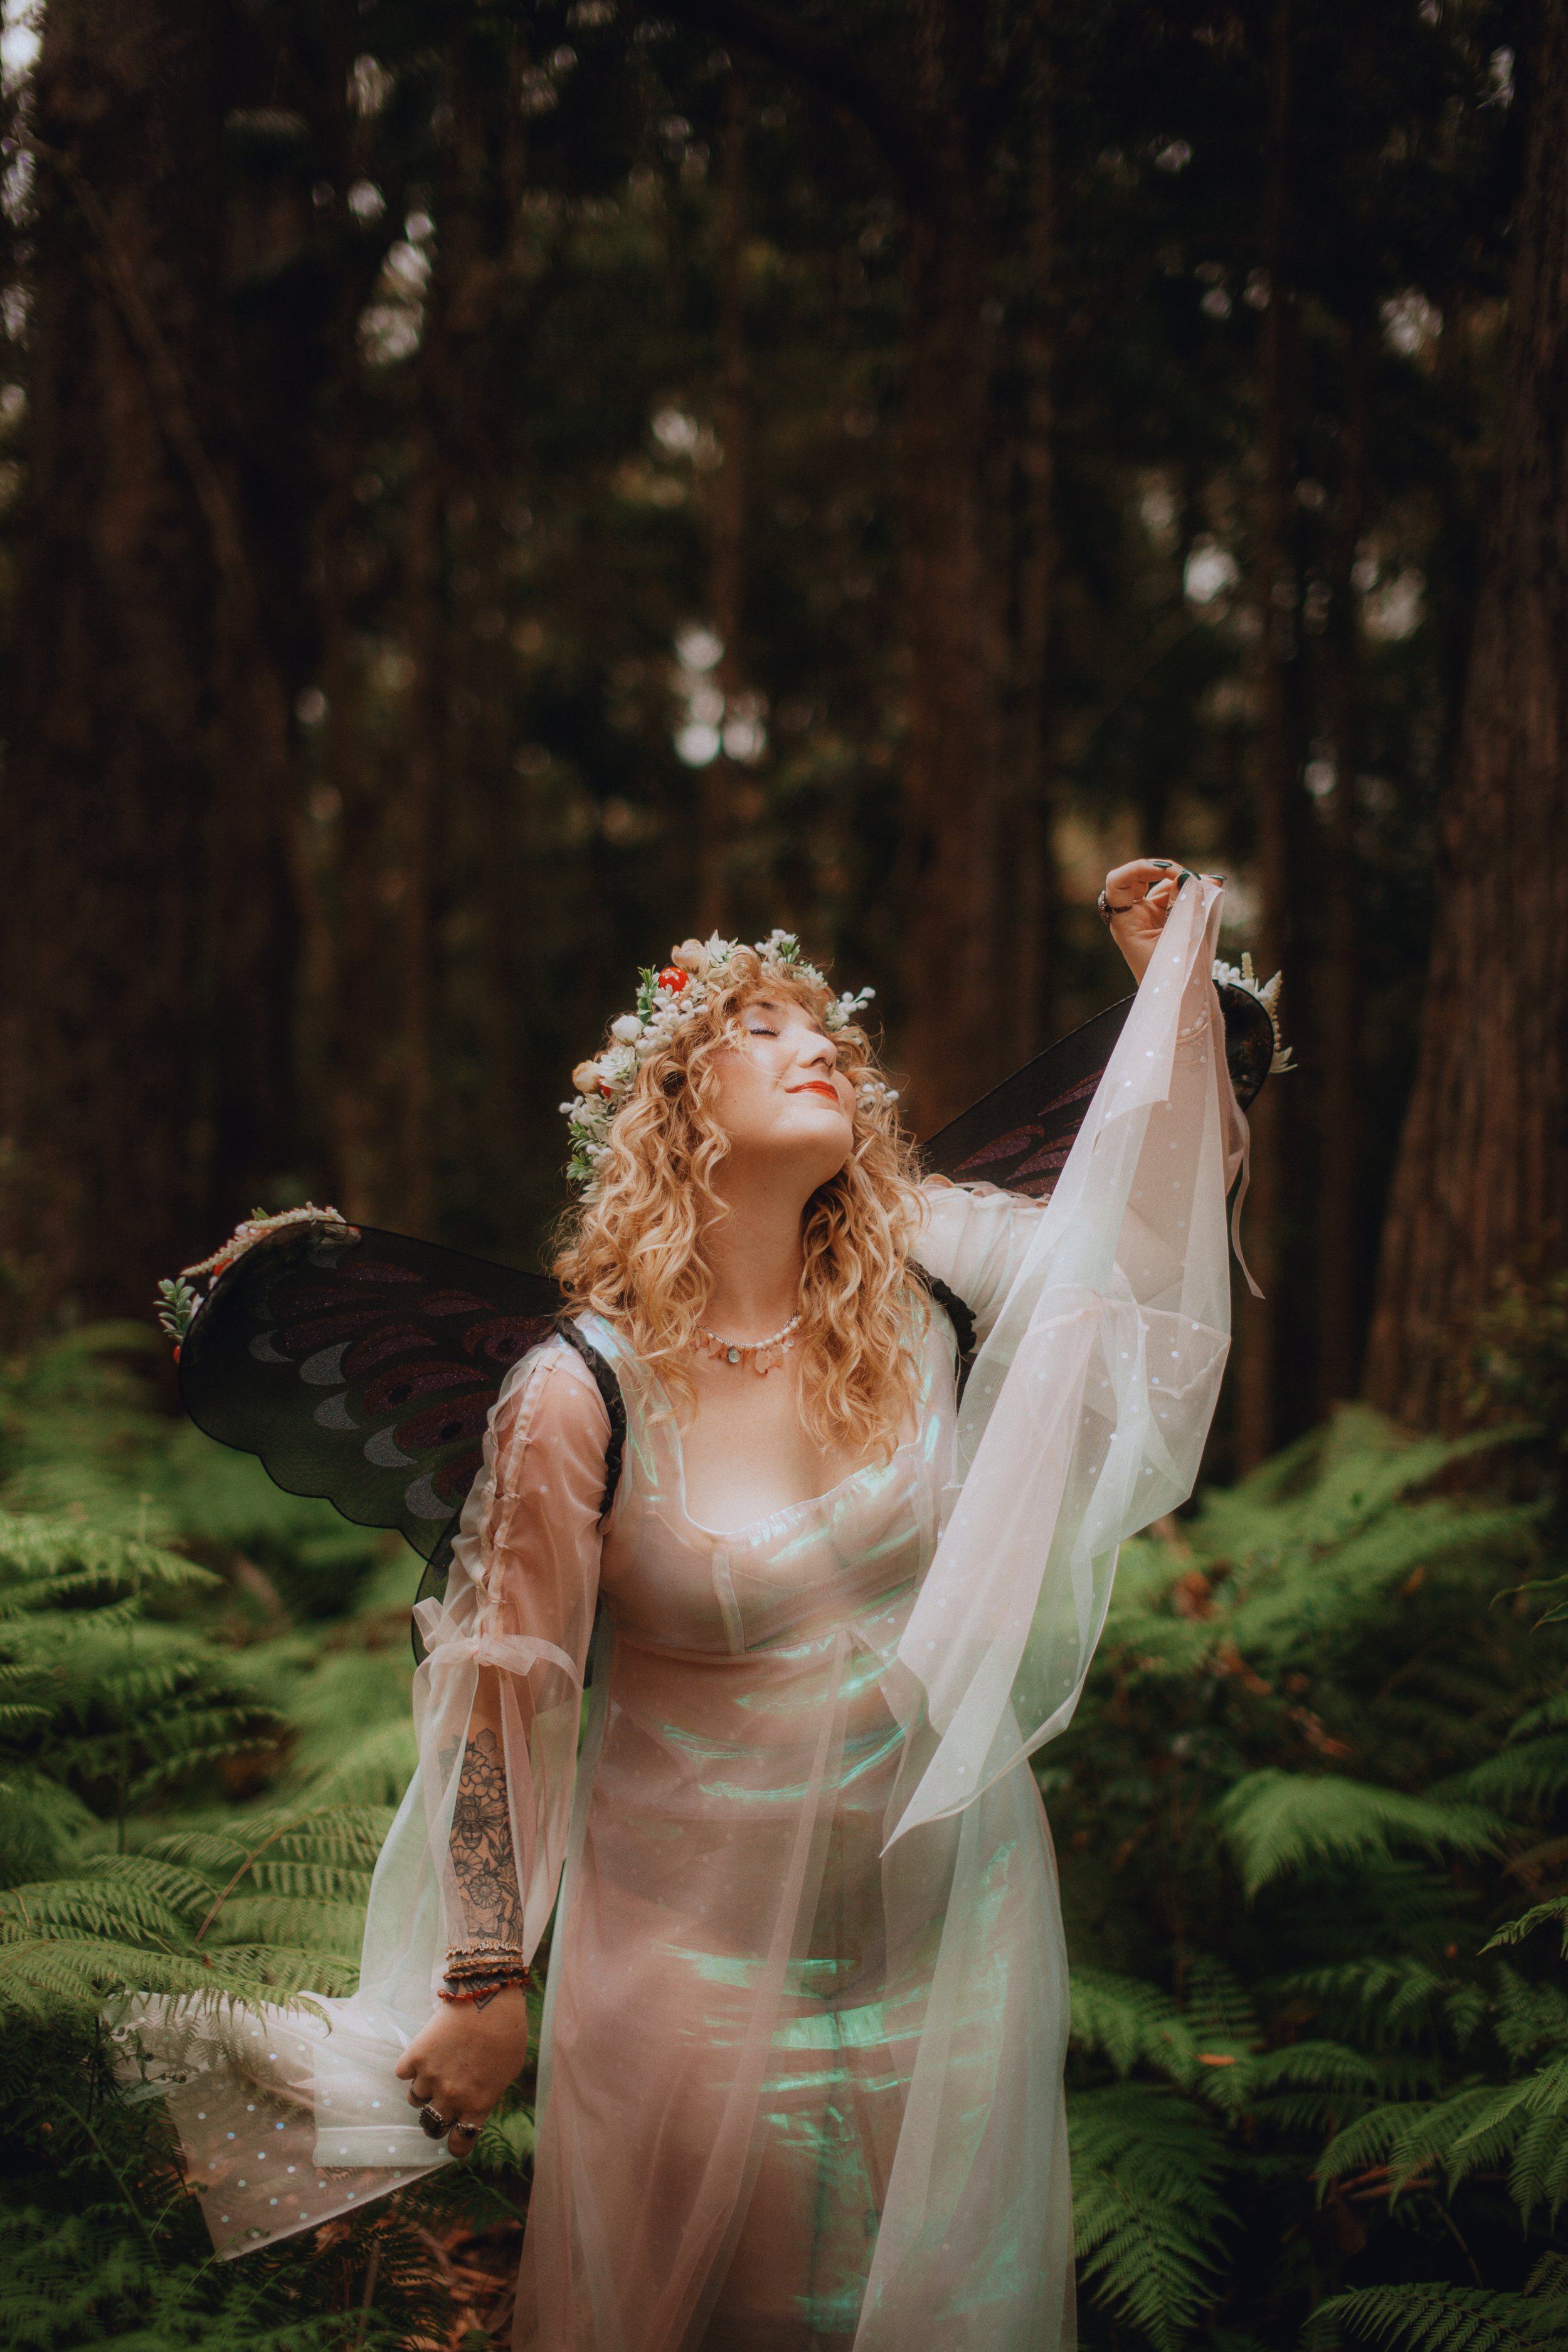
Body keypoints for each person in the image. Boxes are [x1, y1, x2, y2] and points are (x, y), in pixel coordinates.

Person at [123, 859, 1247, 2351]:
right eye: (762, 1028)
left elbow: (1138, 1248)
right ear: (669, 1113)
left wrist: (1170, 999)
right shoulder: (572, 1394)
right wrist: (482, 1977)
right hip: (688, 1979)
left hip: (950, 1941)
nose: (817, 1044)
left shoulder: (927, 1277)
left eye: (824, 1028)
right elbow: (499, 1696)